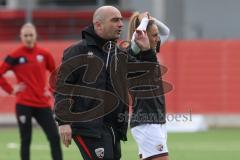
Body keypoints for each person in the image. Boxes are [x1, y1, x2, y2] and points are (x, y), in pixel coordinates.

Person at [55, 6, 155, 160]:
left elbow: (146, 76)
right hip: (87, 127)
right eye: (115, 20)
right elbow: (63, 87)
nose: (121, 24)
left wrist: (147, 50)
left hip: (113, 127)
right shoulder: (77, 51)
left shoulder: (118, 53)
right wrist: (63, 121)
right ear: (98, 25)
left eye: (121, 20)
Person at [0, 23, 63, 160]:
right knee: (26, 139)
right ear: (21, 37)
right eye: (26, 35)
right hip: (24, 104)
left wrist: (51, 90)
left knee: (54, 137)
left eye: (31, 35)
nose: (28, 38)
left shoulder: (44, 54)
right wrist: (11, 89)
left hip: (42, 104)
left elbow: (55, 74)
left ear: (35, 36)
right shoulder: (14, 55)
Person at [128, 12, 170, 160]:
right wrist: (144, 21)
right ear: (143, 36)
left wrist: (150, 19)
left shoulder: (150, 50)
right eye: (154, 35)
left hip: (156, 120)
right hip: (147, 122)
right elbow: (137, 37)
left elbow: (166, 31)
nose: (158, 38)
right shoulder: (134, 51)